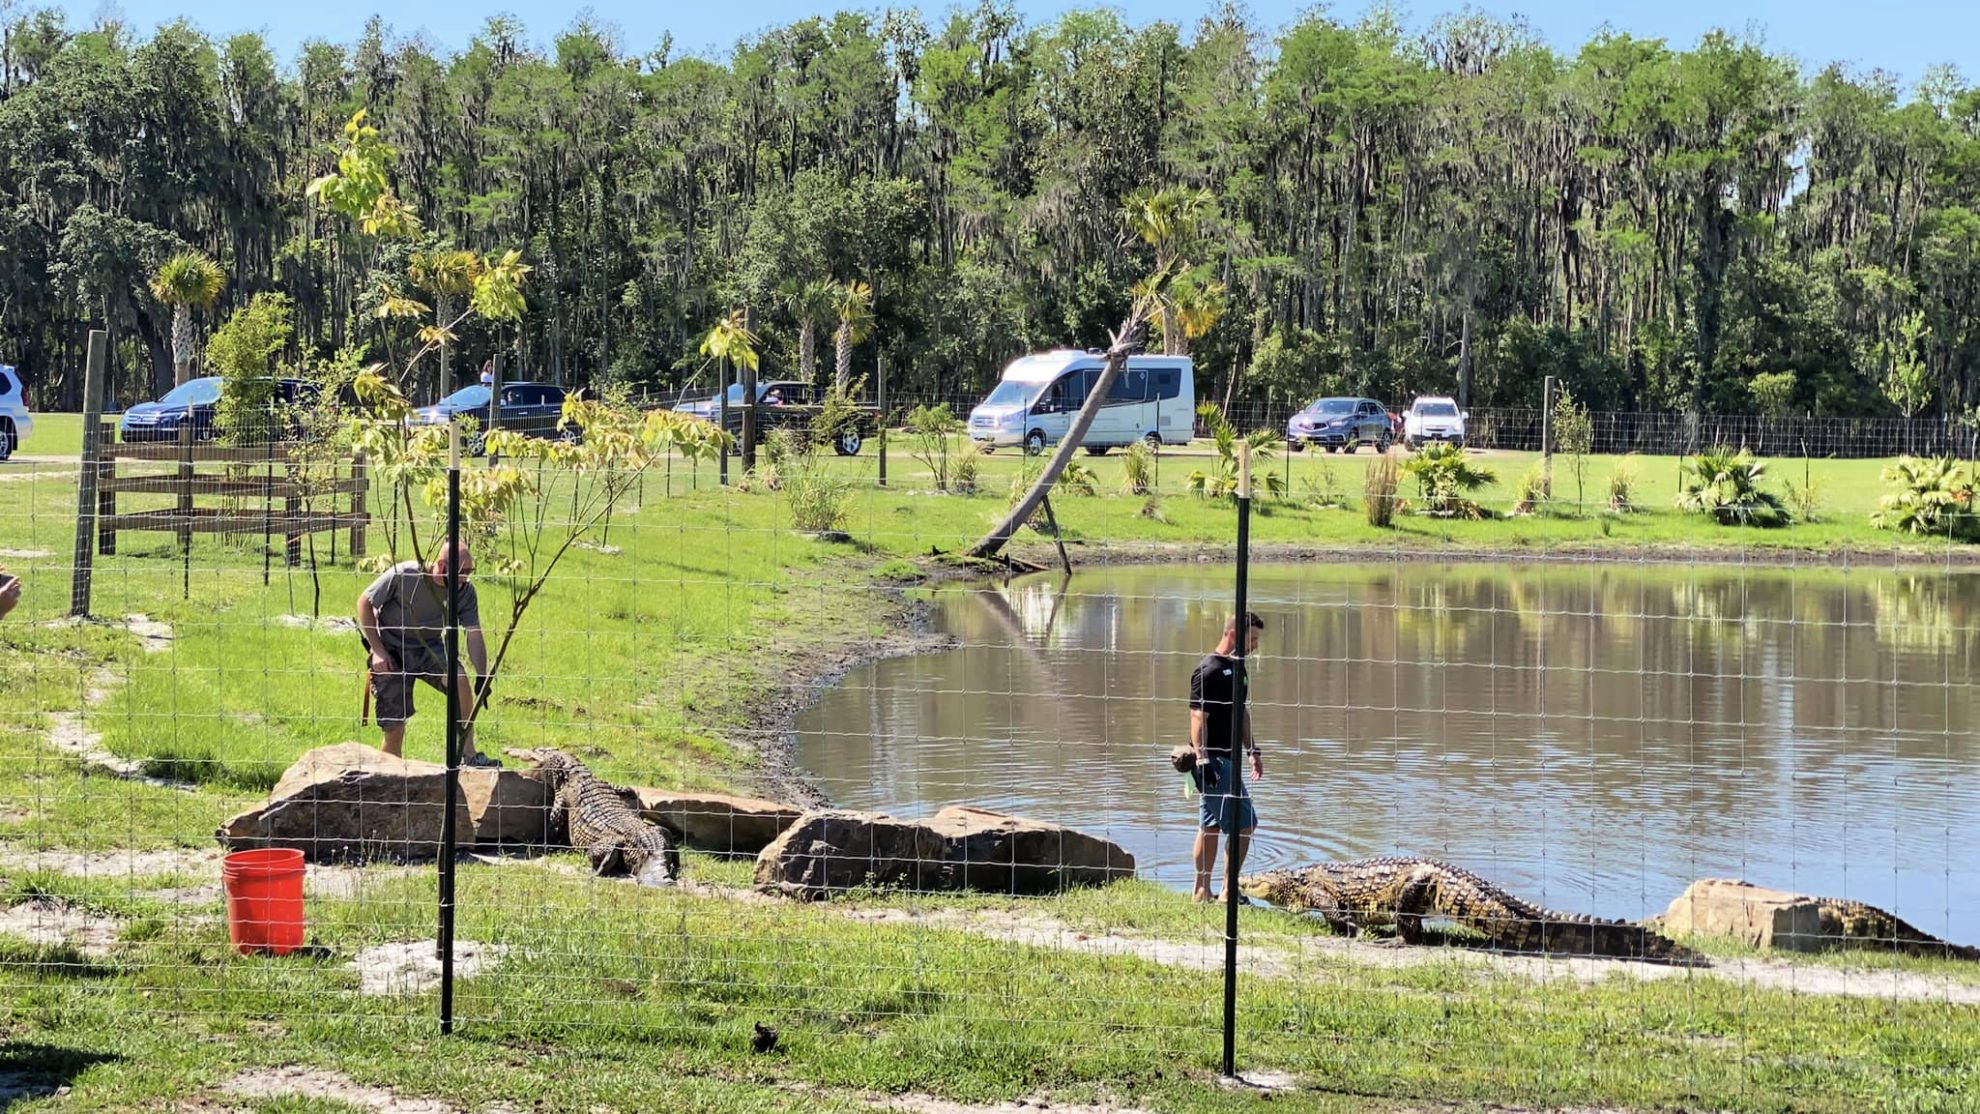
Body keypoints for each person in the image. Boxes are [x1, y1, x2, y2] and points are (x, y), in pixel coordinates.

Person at [356, 542, 500, 767]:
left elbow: (473, 633)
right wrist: (378, 651)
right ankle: (388, 775)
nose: (465, 578)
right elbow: (364, 603)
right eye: (462, 572)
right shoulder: (406, 574)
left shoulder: (465, 591)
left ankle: (468, 756)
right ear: (441, 566)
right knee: (395, 728)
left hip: (428, 648)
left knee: (459, 682)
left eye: (470, 572)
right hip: (391, 647)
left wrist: (482, 675)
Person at [1188, 611, 1265, 903]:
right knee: (1245, 824)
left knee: (1210, 826)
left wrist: (1252, 750)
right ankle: (1228, 893)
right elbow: (1197, 717)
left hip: (1229, 759)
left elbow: (1240, 711)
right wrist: (1202, 759)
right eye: (1252, 639)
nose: (1255, 645)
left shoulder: (1239, 668)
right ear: (1233, 634)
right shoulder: (1208, 670)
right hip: (1213, 762)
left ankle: (1200, 892)